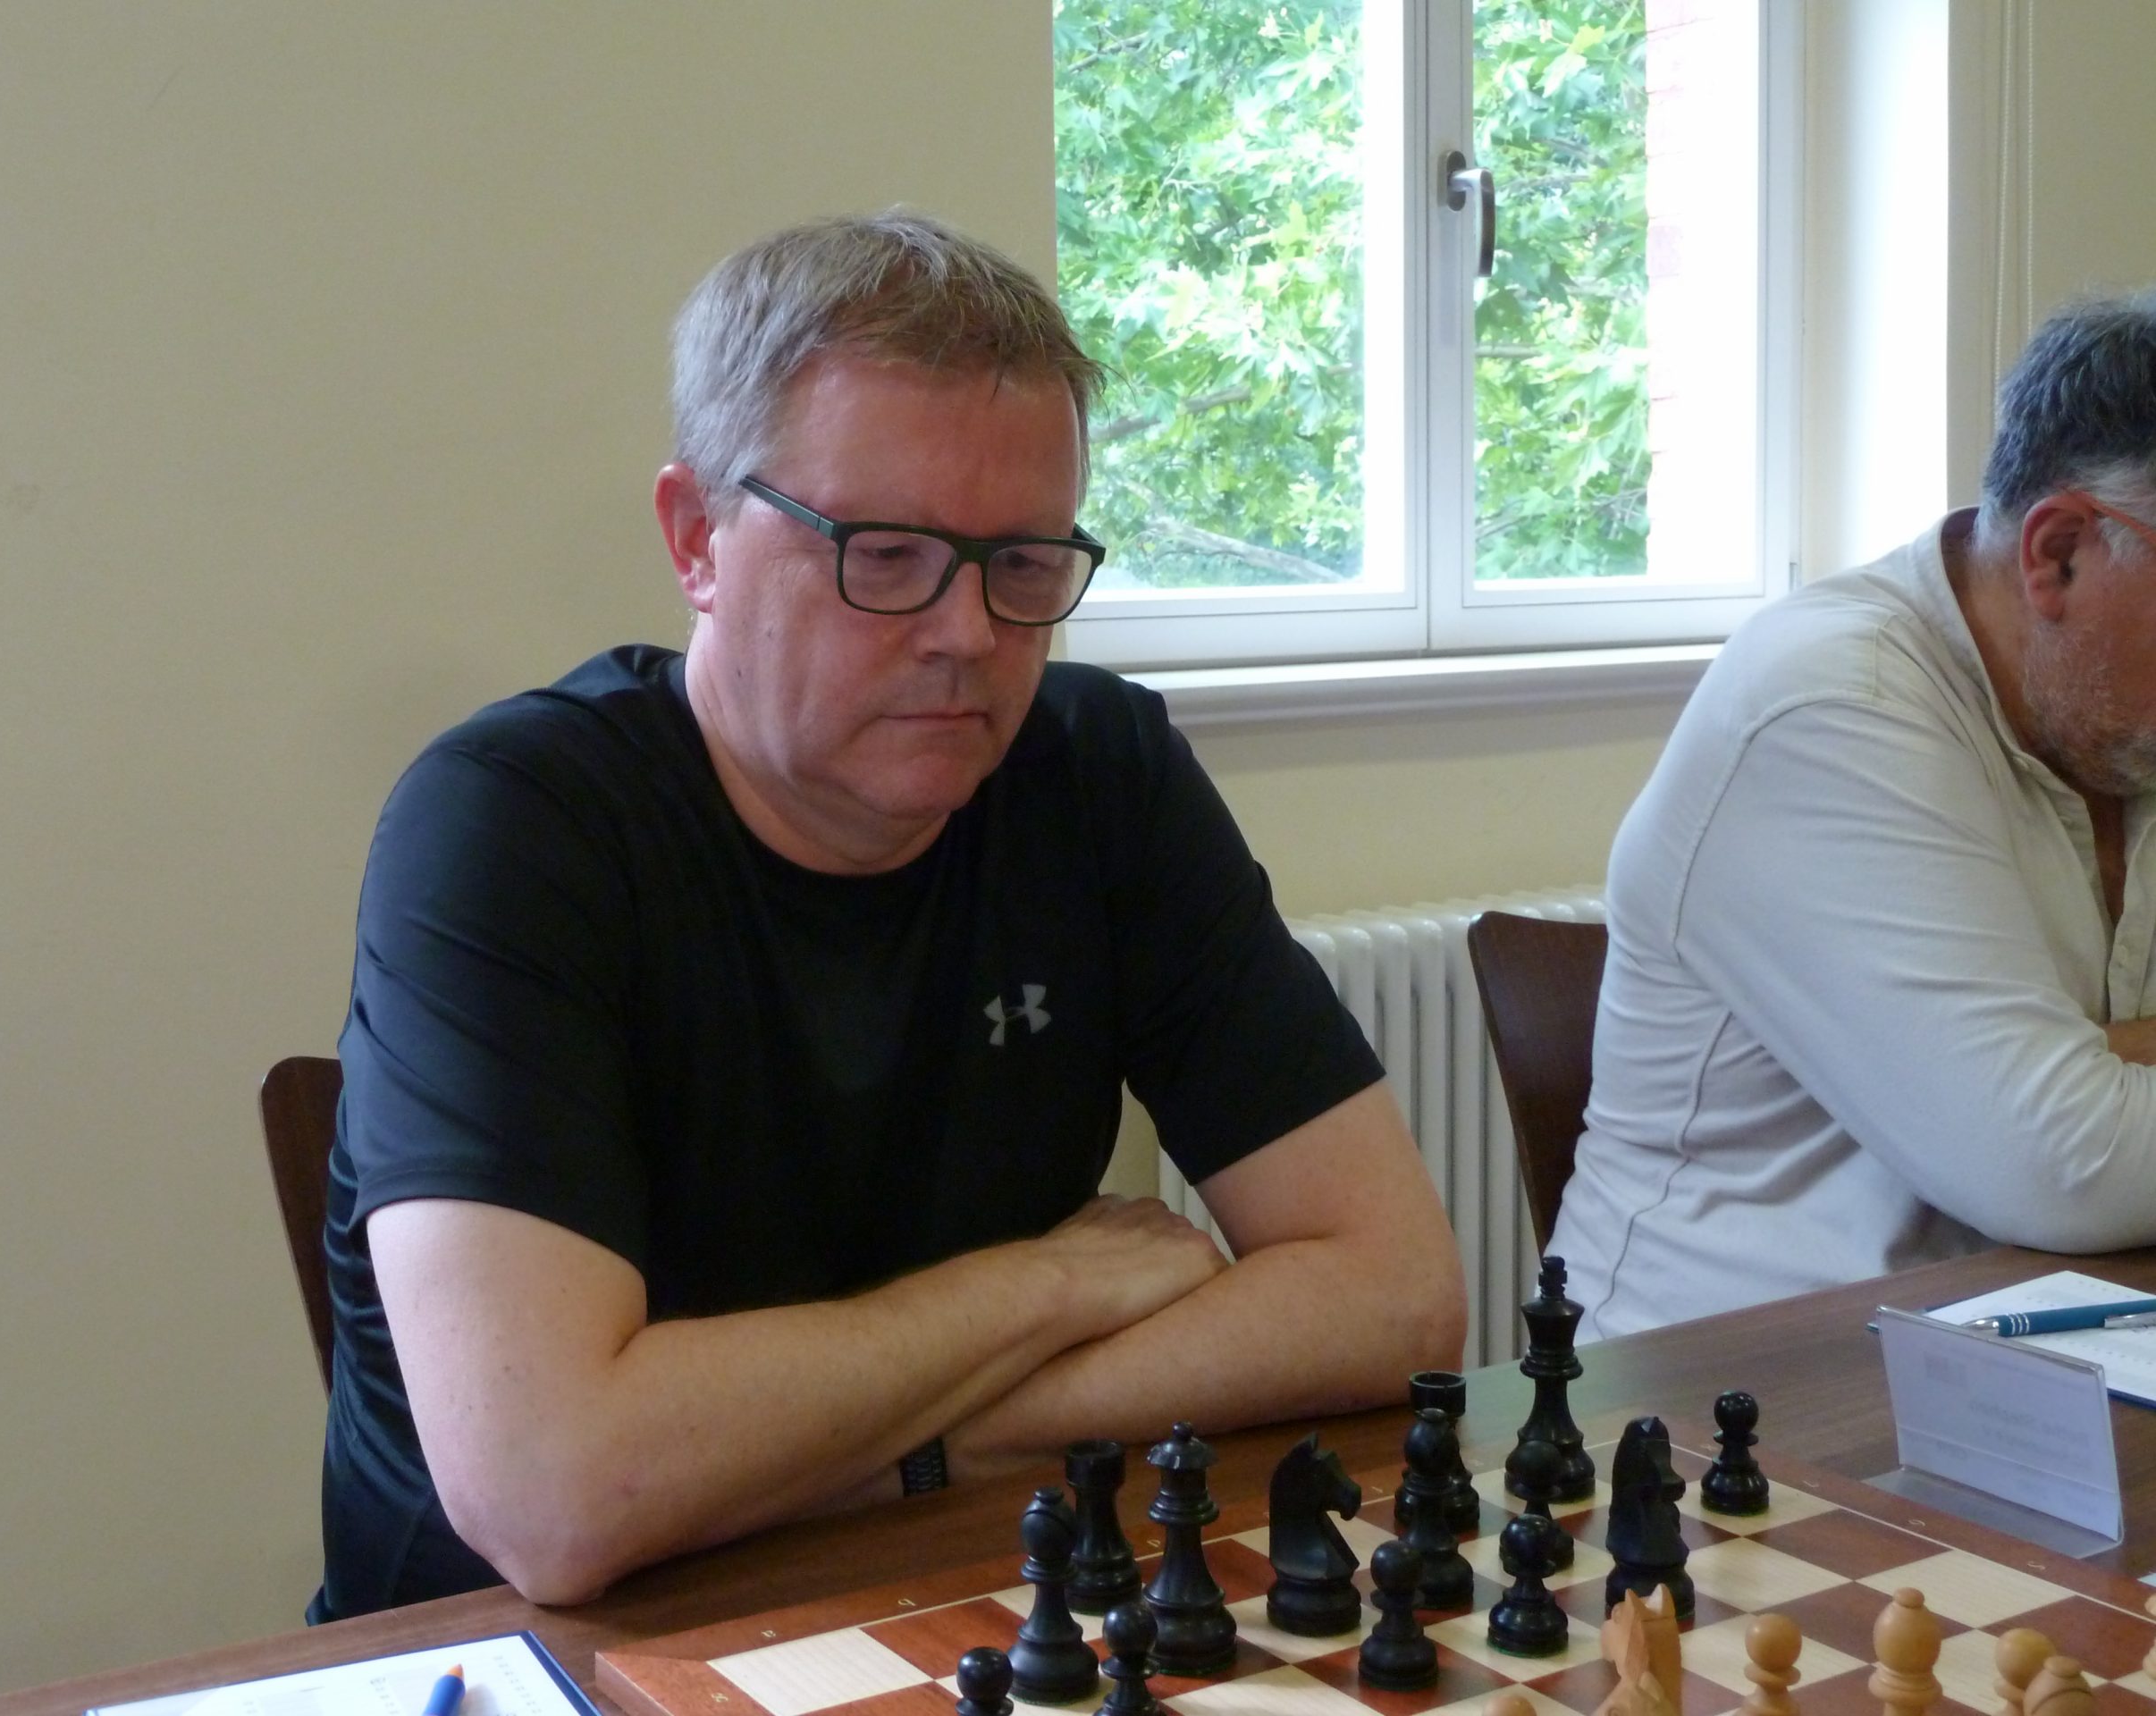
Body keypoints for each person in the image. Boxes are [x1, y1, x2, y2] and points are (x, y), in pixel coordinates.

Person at [312, 212, 1467, 1621]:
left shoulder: (1096, 772)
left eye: (1023, 565)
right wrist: (1045, 1288)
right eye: (887, 553)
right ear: (698, 540)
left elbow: (1396, 1294)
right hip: (525, 1658)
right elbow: (555, 1492)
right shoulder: (509, 824)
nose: (967, 633)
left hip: (954, 1595)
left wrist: (913, 1449)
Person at [1555, 293, 2156, 1341]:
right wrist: (2084, 1085)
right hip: (1725, 1390)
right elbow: (2063, 1167)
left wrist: (2096, 1075)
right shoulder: (1829, 700)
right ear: (2058, 553)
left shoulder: (2114, 717)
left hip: (2040, 1352)